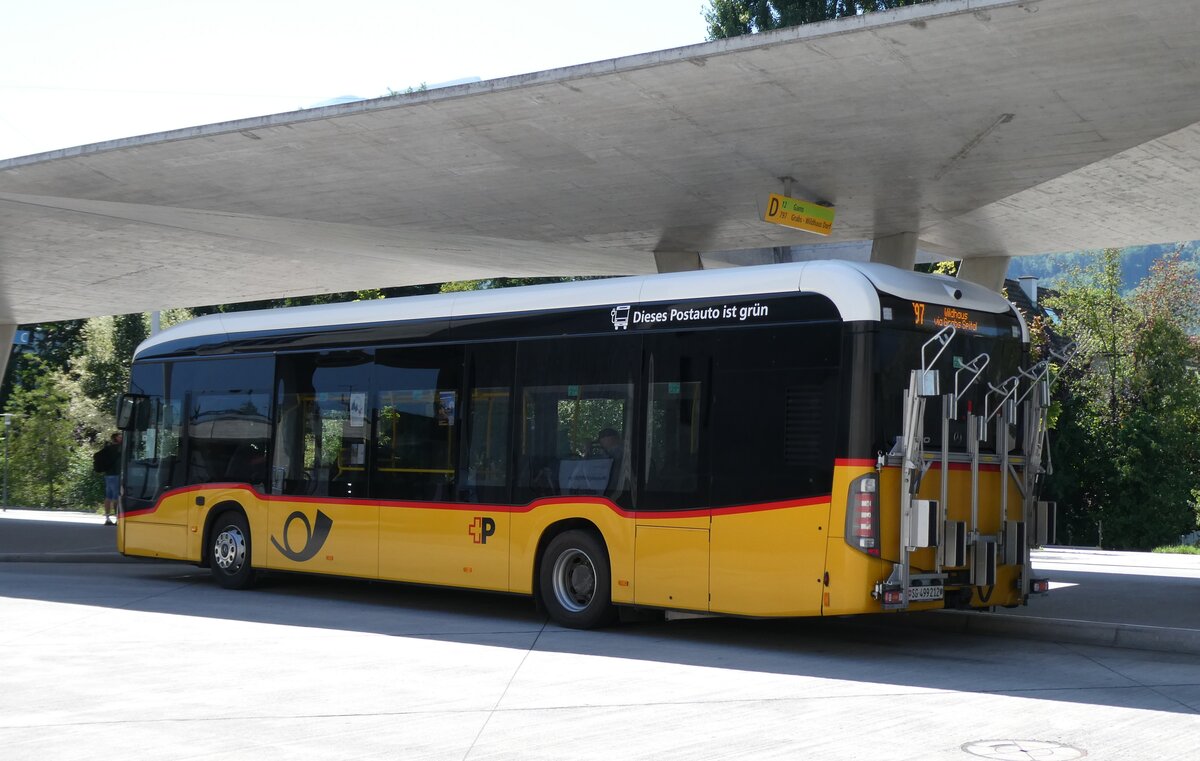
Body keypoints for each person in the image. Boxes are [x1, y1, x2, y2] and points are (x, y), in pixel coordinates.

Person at [94, 433, 122, 525]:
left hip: (108, 475)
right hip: (116, 475)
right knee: (115, 497)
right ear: (115, 438)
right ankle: (117, 518)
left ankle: (107, 518)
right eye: (120, 436)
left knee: (108, 497)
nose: (121, 437)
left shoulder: (108, 448)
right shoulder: (119, 448)